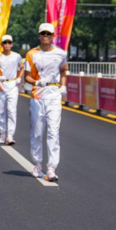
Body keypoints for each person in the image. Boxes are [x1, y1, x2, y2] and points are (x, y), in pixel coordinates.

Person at [24, 23, 68, 181]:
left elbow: (63, 71)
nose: (45, 36)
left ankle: (51, 168)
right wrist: (36, 83)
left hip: (54, 96)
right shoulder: (31, 54)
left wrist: (63, 86)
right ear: (39, 36)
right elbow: (26, 76)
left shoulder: (61, 54)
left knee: (53, 132)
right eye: (42, 33)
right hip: (38, 97)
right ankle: (37, 164)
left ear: (52, 36)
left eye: (48, 33)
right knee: (37, 133)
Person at [0, 35, 23, 145]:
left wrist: (19, 78)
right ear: (2, 45)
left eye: (9, 42)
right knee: (1, 111)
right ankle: (3, 134)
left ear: (12, 44)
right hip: (1, 85)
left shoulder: (17, 56)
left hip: (13, 85)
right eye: (5, 42)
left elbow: (22, 68)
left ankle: (10, 135)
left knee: (12, 111)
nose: (7, 44)